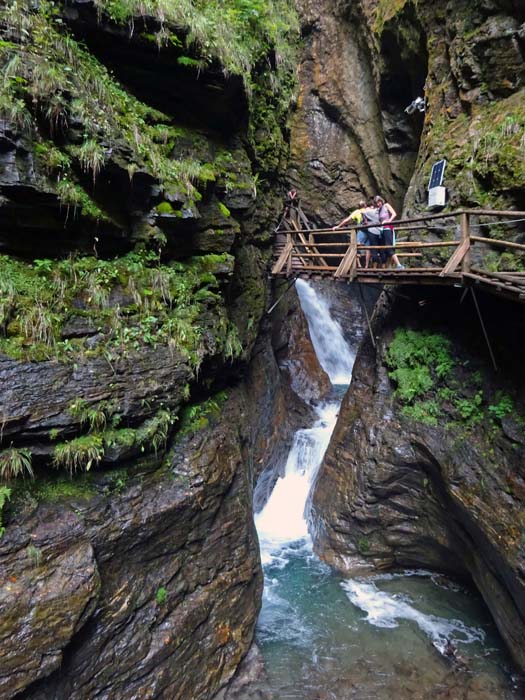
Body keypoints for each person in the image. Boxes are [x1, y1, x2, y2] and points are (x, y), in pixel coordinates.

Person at [332, 199, 369, 267]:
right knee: (368, 248)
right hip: (370, 230)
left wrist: (338, 226)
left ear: (359, 206)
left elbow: (347, 220)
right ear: (365, 205)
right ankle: (367, 266)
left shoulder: (357, 212)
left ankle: (359, 265)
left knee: (355, 246)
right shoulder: (369, 210)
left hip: (362, 231)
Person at [374, 195, 404, 269]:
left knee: (389, 247)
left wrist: (388, 221)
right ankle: (389, 266)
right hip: (382, 230)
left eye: (379, 202)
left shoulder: (386, 205)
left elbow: (394, 214)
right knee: (383, 249)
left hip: (388, 228)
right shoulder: (378, 210)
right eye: (376, 203)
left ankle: (399, 265)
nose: (378, 204)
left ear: (381, 201)